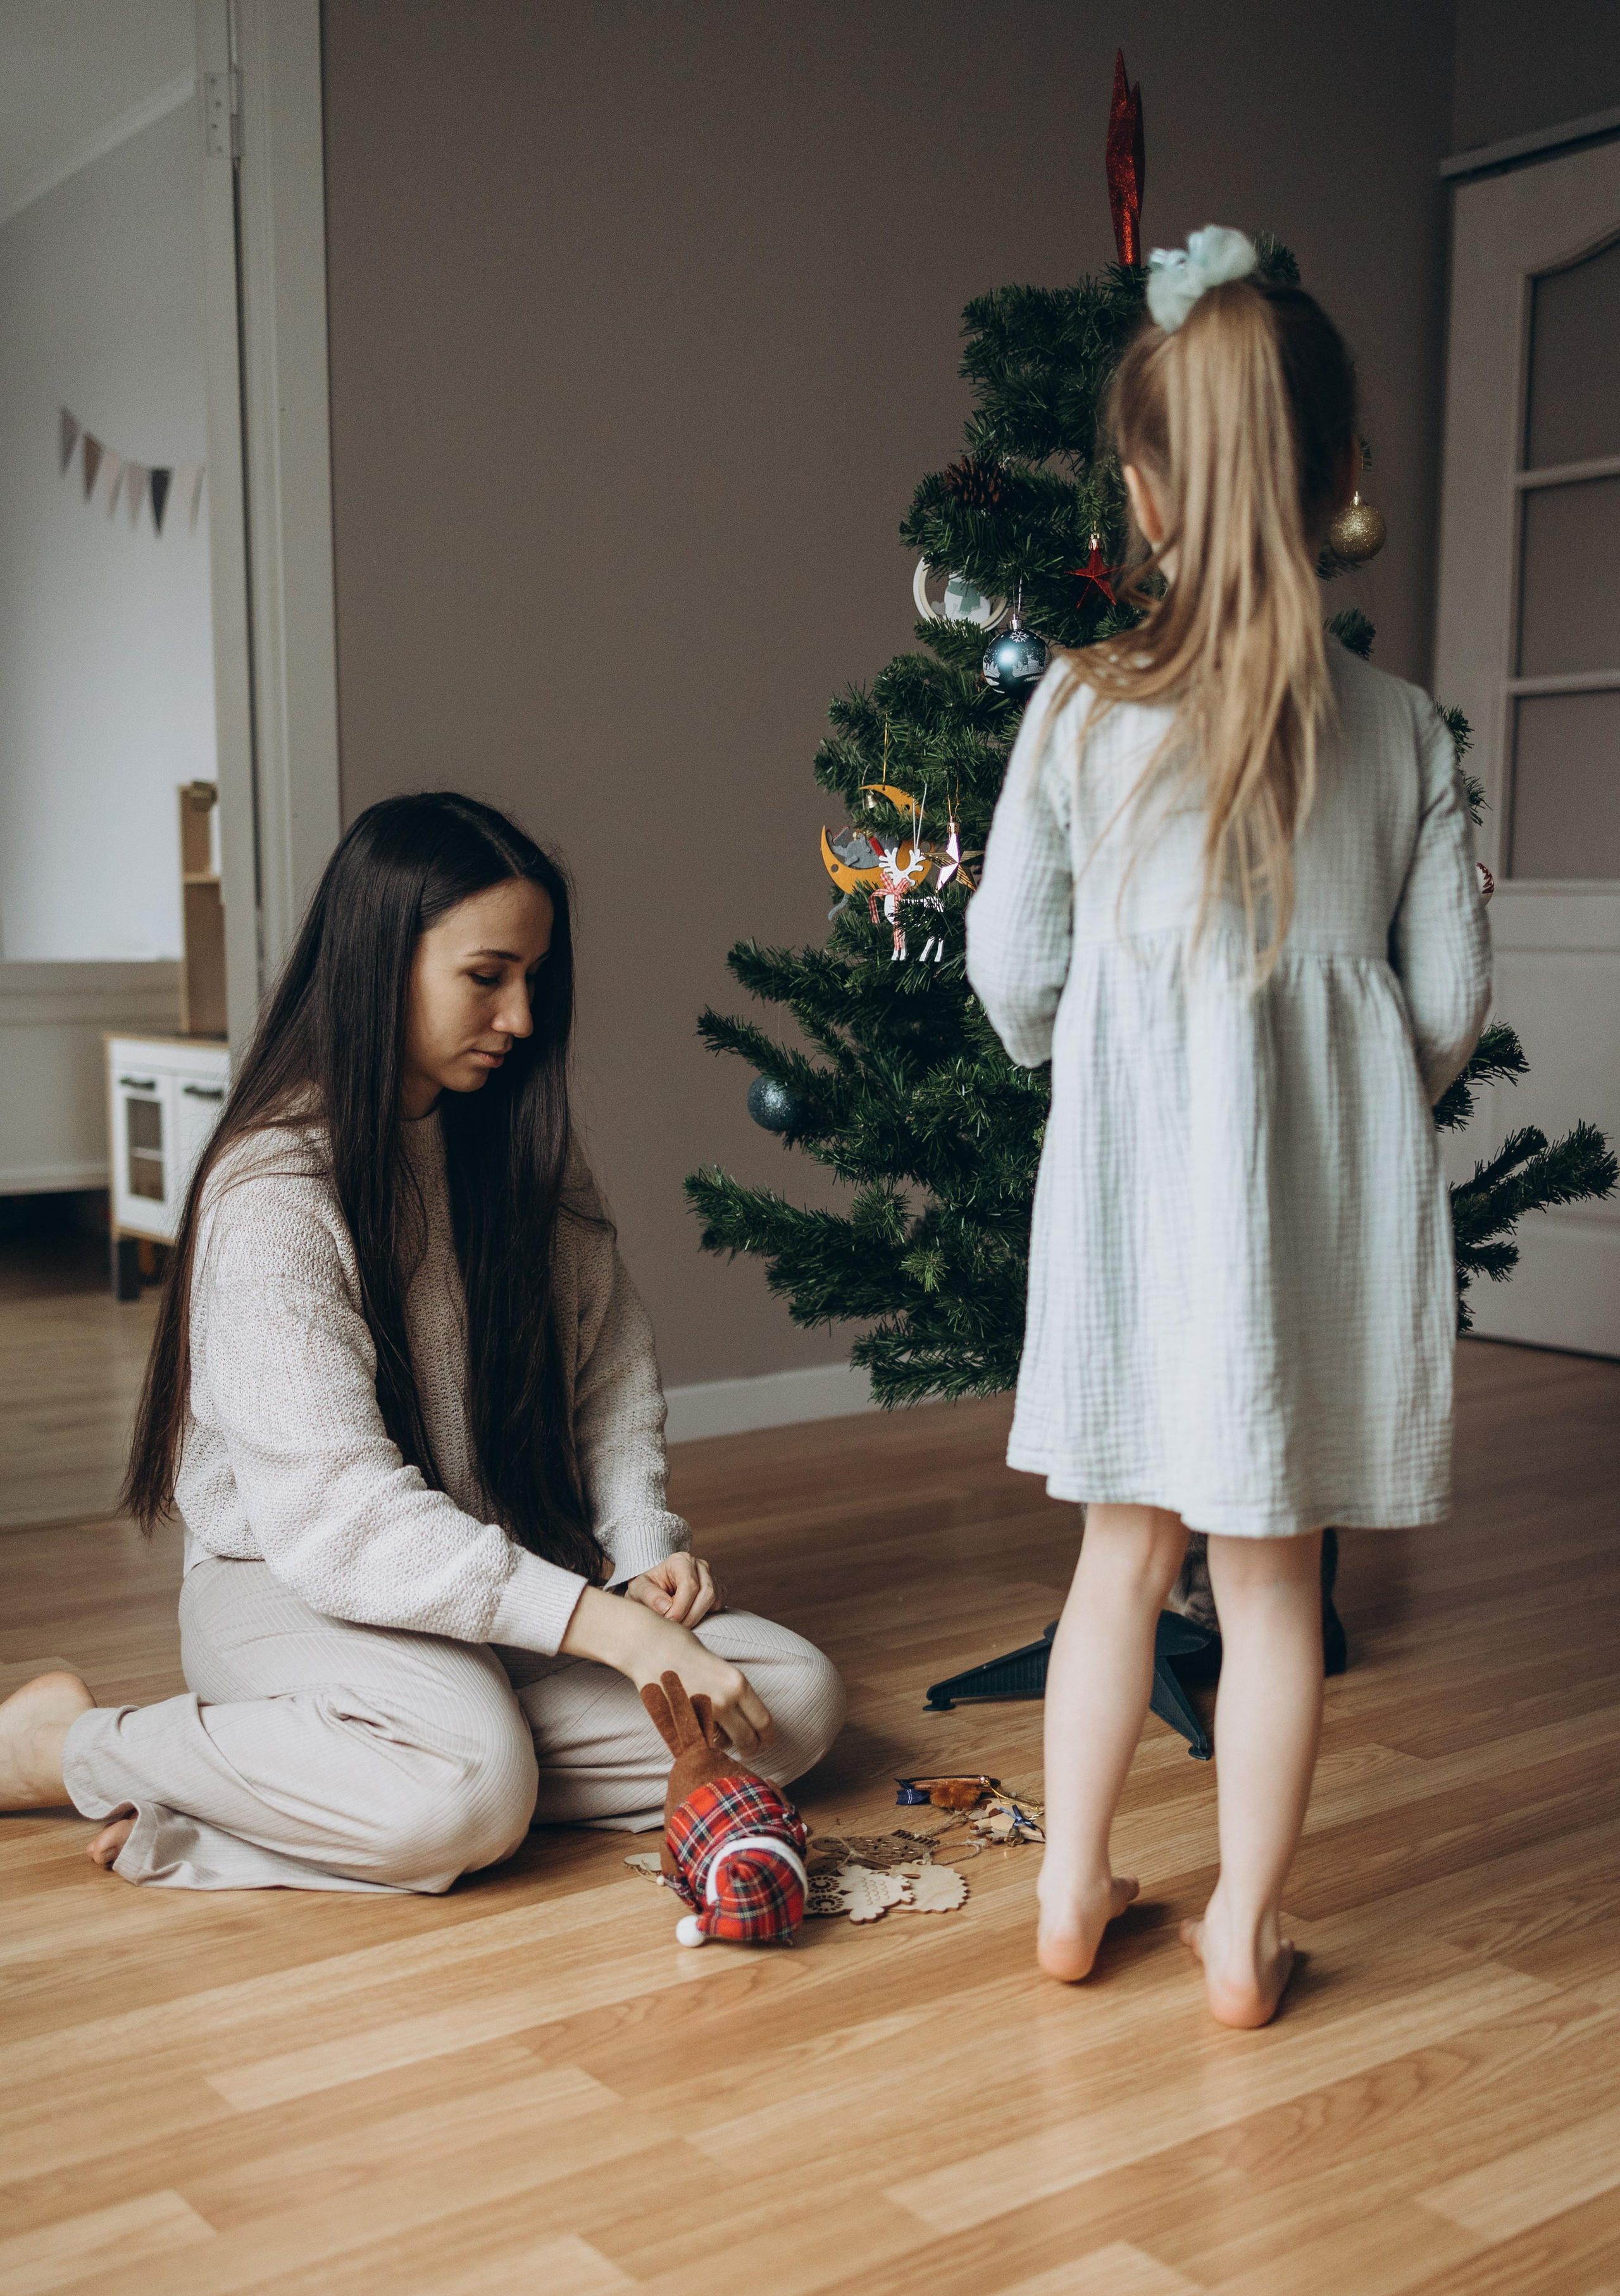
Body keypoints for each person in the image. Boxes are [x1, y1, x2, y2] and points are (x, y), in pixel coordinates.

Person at [966, 229, 1491, 2026]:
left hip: (1134, 1213)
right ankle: (1239, 1938)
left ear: (1147, 492)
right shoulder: (1409, 734)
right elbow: (1446, 1006)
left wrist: (1115, 1068)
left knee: (1123, 1556)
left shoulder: (1080, 710)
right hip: (1312, 1231)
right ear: (1347, 477)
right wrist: (1339, 1111)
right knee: (1277, 1588)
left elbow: (1012, 972)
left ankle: (1063, 1893)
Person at [0, 795, 845, 1892]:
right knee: (474, 1787)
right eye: (487, 977)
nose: (523, 1018)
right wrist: (615, 1637)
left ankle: (315, 1794)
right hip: (296, 1584)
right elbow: (343, 1524)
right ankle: (67, 1748)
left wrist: (641, 1552)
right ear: (379, 964)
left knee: (795, 1702)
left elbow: (611, 1374)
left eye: (535, 978)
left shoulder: (515, 1141)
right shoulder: (274, 1190)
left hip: (483, 1586)